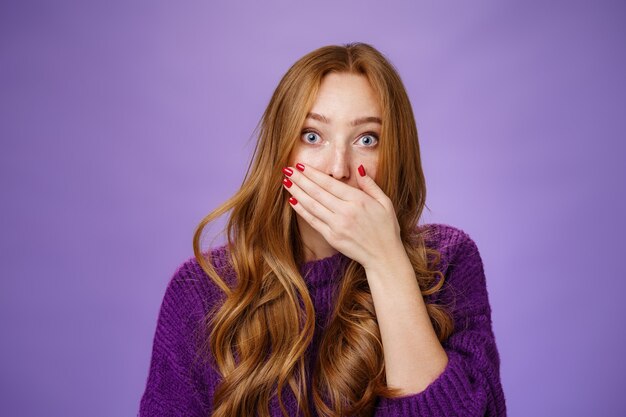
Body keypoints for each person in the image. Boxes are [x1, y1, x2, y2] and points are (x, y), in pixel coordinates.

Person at [138, 42, 507, 417]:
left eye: (367, 139)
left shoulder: (447, 263)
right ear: (280, 152)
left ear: (397, 154)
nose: (338, 169)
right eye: (312, 136)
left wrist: (387, 263)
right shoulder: (202, 290)